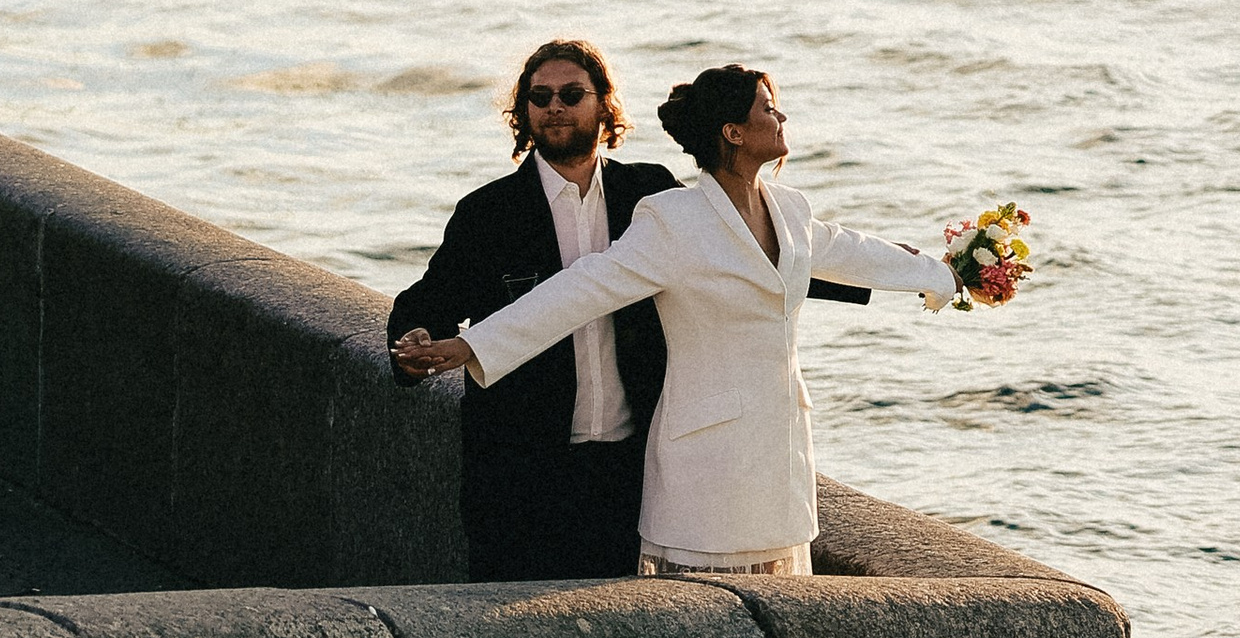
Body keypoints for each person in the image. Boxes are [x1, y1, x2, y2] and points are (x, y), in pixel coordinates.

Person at [390, 62, 951, 580]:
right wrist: (472, 346)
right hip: (624, 464)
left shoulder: (780, 208)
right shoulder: (661, 215)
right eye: (768, 108)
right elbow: (579, 290)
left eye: (571, 94)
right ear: (732, 131)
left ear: (603, 104)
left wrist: (943, 273)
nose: (780, 117)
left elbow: (834, 251)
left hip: (771, 459)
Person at [386, 37, 679, 582]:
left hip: (633, 469)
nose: (555, 107)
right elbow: (430, 300)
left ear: (604, 104)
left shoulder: (652, 196)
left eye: (572, 93)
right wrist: (414, 342)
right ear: (523, 111)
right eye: (539, 96)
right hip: (520, 471)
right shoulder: (489, 213)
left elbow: (729, 258)